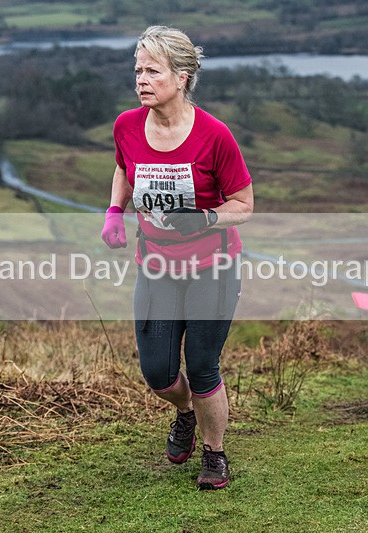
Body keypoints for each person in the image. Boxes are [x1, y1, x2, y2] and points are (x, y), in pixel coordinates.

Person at [100, 26, 254, 488]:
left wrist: (205, 218)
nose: (141, 79)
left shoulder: (215, 135)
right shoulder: (127, 125)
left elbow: (244, 205)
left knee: (204, 366)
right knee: (159, 373)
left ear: (182, 76)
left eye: (153, 71)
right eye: (137, 70)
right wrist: (114, 212)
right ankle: (184, 411)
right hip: (157, 267)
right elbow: (124, 168)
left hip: (213, 268)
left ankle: (215, 453)